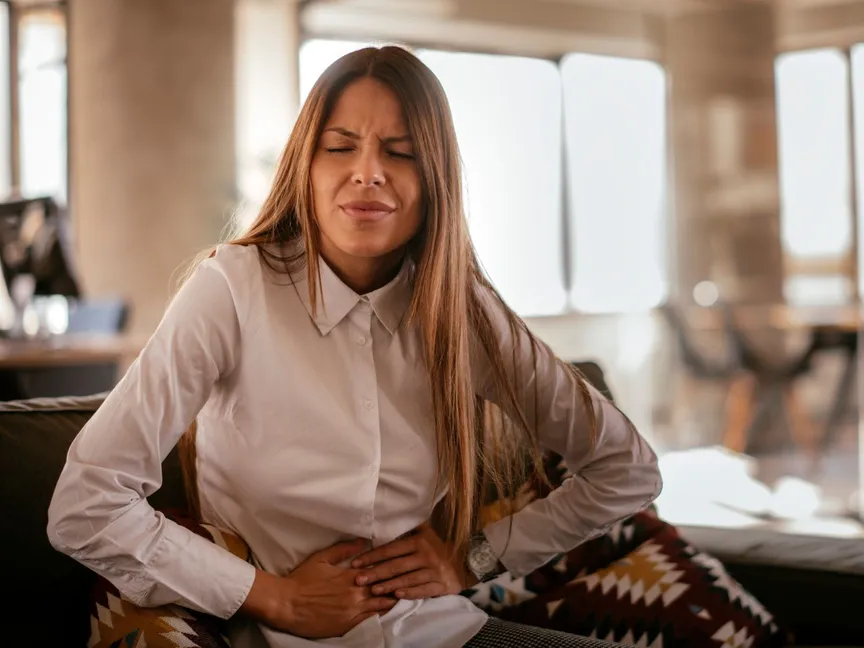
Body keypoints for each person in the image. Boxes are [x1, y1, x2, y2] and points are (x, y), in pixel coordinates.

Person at [47, 46, 661, 648]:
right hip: (269, 632)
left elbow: (625, 469)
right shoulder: (232, 289)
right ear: (305, 168)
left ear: (435, 180)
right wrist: (271, 595)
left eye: (401, 152)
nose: (367, 171)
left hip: (433, 629)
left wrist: (475, 557)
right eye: (340, 147)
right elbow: (86, 502)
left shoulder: (463, 311)